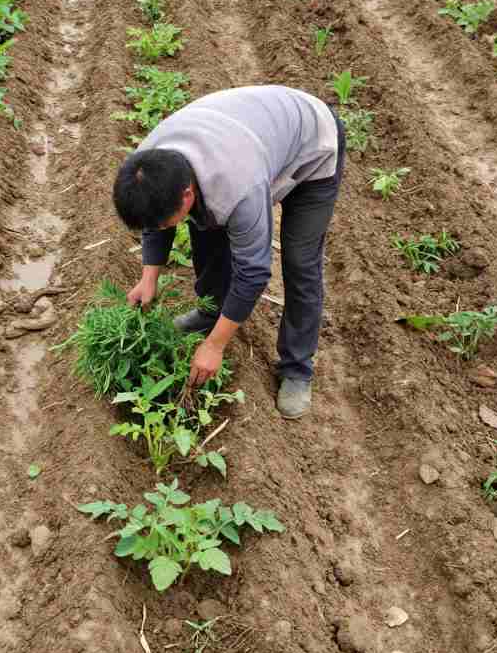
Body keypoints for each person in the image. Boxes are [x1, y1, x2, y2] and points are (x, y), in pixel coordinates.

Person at [112, 84, 346, 419]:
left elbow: (254, 272)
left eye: (167, 223)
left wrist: (214, 346)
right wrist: (149, 278)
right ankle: (211, 313)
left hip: (312, 145)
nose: (162, 229)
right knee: (207, 229)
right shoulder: (147, 165)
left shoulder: (239, 186)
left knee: (300, 261)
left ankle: (297, 368)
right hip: (250, 133)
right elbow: (154, 220)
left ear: (188, 194)